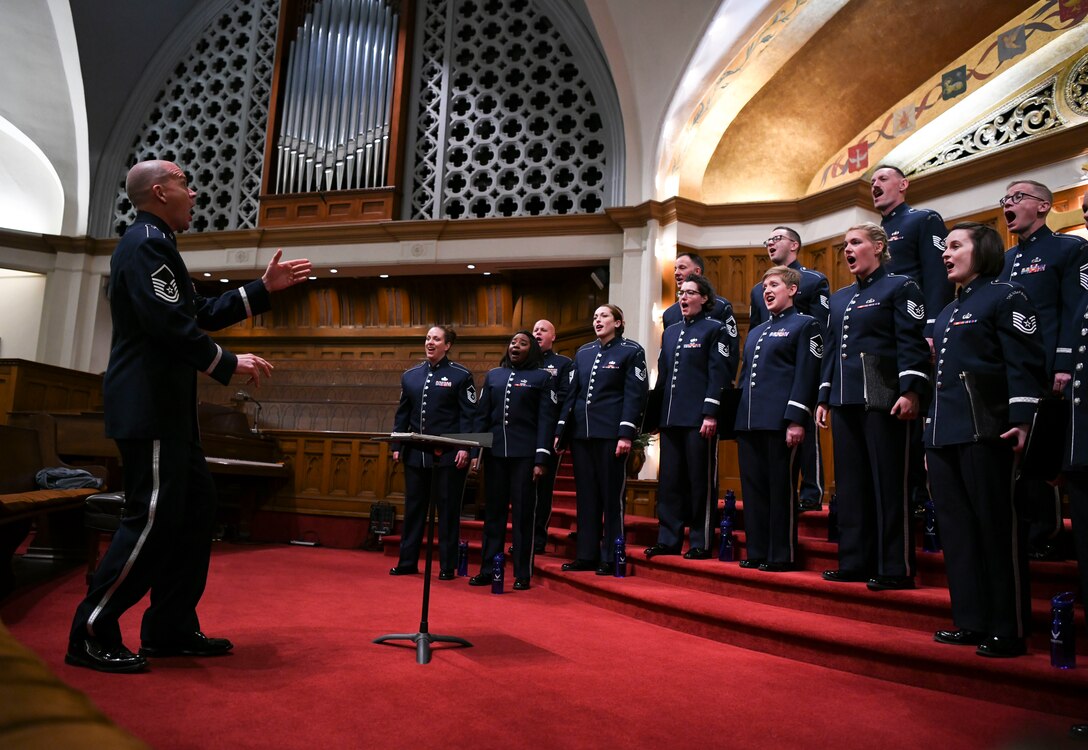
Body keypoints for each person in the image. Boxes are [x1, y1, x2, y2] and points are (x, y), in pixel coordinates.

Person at [66, 160, 312, 673]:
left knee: (197, 513)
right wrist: (227, 361)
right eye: (184, 184)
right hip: (150, 411)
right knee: (151, 522)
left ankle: (169, 626)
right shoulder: (145, 244)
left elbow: (195, 311)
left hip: (170, 415)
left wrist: (262, 289)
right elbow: (168, 324)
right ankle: (91, 630)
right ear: (159, 192)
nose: (194, 193)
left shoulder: (158, 244)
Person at [927, 222, 1046, 658]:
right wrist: (930, 437)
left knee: (996, 529)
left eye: (956, 245)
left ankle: (1007, 627)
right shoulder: (946, 311)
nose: (946, 253)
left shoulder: (1006, 296)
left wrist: (1023, 417)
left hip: (988, 428)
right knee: (958, 532)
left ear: (984, 250)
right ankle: (971, 619)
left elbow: (1024, 361)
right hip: (945, 435)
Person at [816, 222, 930, 591]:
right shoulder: (839, 297)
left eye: (855, 242)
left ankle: (894, 566)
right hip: (846, 399)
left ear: (878, 246)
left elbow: (909, 341)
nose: (847, 249)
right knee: (850, 485)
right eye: (844, 245)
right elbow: (832, 349)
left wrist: (911, 389)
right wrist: (824, 396)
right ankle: (854, 561)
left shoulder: (900, 286)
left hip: (885, 399)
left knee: (888, 484)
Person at [998, 179, 1088, 559]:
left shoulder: (1068, 249)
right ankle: (1024, 531)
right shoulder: (1003, 261)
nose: (1009, 203)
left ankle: (1047, 531)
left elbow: (1076, 309)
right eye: (1005, 198)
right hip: (1011, 369)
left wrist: (1064, 363)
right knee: (1016, 453)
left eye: (1018, 197)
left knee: (1044, 451)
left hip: (1049, 368)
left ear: (1043, 206)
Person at [872, 165, 953, 516]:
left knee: (917, 409)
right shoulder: (875, 233)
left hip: (915, 332)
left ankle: (922, 496)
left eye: (883, 179)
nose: (875, 184)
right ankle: (896, 494)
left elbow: (937, 275)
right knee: (886, 413)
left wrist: (932, 328)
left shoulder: (923, 220)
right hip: (883, 338)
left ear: (903, 185)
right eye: (872, 181)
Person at [735, 266, 823, 571]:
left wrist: (797, 418)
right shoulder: (757, 331)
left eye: (774, 285)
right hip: (749, 423)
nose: (767, 291)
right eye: (764, 287)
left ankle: (780, 554)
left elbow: (806, 374)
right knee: (754, 490)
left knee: (780, 489)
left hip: (781, 422)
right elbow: (745, 378)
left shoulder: (805, 325)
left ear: (793, 289)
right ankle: (757, 551)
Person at [644, 274, 736, 560]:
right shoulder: (670, 332)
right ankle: (668, 539)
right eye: (681, 293)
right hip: (671, 418)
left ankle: (701, 539)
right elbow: (663, 376)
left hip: (699, 419)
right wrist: (655, 416)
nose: (683, 298)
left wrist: (711, 413)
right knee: (669, 482)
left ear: (704, 298)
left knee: (700, 482)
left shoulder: (715, 329)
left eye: (690, 293)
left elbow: (718, 374)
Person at [557, 304, 649, 574]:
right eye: (595, 316)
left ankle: (611, 556)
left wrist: (626, 433)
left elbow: (636, 394)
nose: (598, 320)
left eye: (604, 316)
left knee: (611, 498)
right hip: (582, 435)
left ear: (618, 322)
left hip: (611, 435)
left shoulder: (631, 351)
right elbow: (573, 394)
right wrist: (561, 431)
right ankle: (586, 555)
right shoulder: (583, 352)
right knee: (586, 498)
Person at [748, 227, 830, 511]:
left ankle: (811, 491)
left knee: (803, 429)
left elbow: (821, 327)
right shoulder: (758, 290)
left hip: (803, 361)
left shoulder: (813, 279)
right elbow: (758, 328)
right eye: (767, 239)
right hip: (773, 369)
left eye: (777, 238)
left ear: (794, 244)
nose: (770, 243)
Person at [468, 332, 558, 590]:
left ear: (531, 350)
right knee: (493, 515)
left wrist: (541, 458)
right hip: (496, 456)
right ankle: (488, 569)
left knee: (522, 517)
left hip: (525, 457)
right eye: (512, 343)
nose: (515, 346)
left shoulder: (543, 378)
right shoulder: (494, 376)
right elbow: (481, 417)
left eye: (522, 343)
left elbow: (546, 421)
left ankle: (522, 573)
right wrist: (476, 453)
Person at [390, 326, 477, 579]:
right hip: (417, 455)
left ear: (447, 345)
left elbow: (469, 416)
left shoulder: (461, 375)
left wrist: (465, 448)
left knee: (448, 511)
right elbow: (402, 414)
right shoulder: (411, 375)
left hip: (450, 456)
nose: (430, 342)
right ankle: (407, 562)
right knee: (414, 509)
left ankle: (447, 566)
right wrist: (397, 445)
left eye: (436, 339)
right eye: (428, 338)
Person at [531, 319, 572, 554]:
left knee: (543, 489)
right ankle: (523, 535)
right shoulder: (523, 363)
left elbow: (566, 398)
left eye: (543, 330)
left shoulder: (562, 364)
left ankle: (538, 538)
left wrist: (560, 431)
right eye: (535, 330)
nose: (538, 333)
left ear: (553, 337)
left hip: (548, 435)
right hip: (524, 434)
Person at [661, 252, 738, 332]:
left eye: (682, 268)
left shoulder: (720, 306)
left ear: (697, 271)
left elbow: (731, 342)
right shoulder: (669, 314)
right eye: (675, 269)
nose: (676, 273)